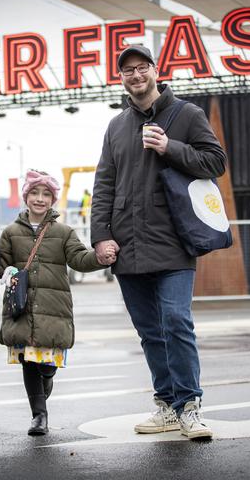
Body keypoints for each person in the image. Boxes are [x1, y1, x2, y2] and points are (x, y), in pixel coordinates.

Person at [90, 45, 227, 440]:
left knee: (176, 322)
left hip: (173, 243)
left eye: (141, 67)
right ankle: (166, 405)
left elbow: (215, 161)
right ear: (121, 78)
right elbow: (104, 186)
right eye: (127, 70)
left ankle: (189, 406)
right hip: (127, 247)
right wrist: (101, 236)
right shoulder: (116, 126)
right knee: (150, 331)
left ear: (155, 70)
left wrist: (171, 148)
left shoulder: (186, 115)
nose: (135, 75)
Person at [0, 169, 114, 435]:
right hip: (22, 308)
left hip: (53, 307)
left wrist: (99, 257)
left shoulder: (64, 232)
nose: (39, 198)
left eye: (46, 194)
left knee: (47, 365)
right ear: (26, 197)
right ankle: (39, 416)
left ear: (52, 199)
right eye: (35, 193)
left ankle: (47, 377)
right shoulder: (11, 232)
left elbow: (78, 259)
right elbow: (0, 265)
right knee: (29, 360)